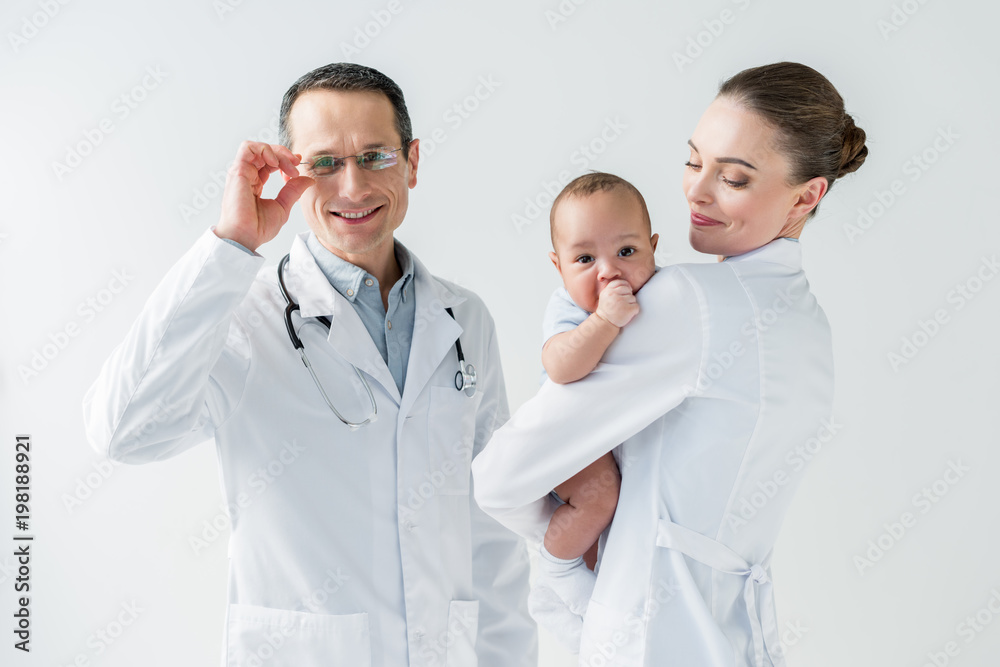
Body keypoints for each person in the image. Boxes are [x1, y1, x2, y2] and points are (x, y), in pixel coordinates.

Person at [83, 63, 536, 666]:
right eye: (324, 163)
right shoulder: (242, 320)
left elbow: (493, 529)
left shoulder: (465, 320)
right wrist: (229, 245)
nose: (352, 187)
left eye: (375, 155)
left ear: (413, 161)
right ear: (290, 174)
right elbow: (122, 432)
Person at [472, 61, 868, 665]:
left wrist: (565, 546)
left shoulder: (687, 304)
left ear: (807, 194)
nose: (696, 191)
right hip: (736, 638)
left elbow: (500, 476)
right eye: (693, 161)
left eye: (732, 178)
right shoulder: (809, 324)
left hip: (649, 635)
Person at [534, 173, 658, 613]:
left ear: (654, 248)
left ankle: (589, 617)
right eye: (584, 259)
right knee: (599, 500)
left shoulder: (661, 295)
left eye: (626, 251)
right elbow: (560, 367)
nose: (608, 270)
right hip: (566, 438)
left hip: (610, 439)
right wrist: (604, 322)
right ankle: (554, 573)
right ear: (559, 267)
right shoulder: (569, 308)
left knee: (607, 542)